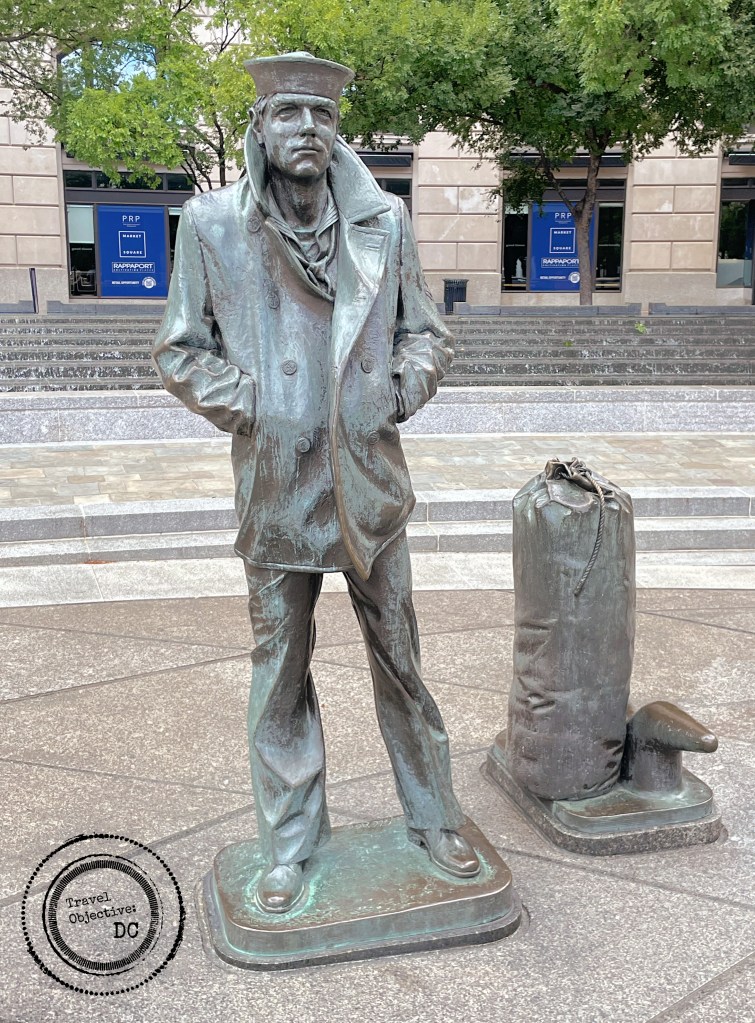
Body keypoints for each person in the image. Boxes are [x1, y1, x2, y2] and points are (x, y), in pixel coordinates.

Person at [152, 51, 479, 914]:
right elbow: (180, 350)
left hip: (367, 481)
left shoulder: (384, 220)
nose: (307, 129)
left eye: (322, 116)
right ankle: (290, 844)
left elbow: (425, 333)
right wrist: (255, 404)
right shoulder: (211, 223)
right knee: (281, 676)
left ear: (337, 129)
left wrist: (399, 388)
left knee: (401, 661)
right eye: (289, 114)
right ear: (260, 127)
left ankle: (433, 816)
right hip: (277, 486)